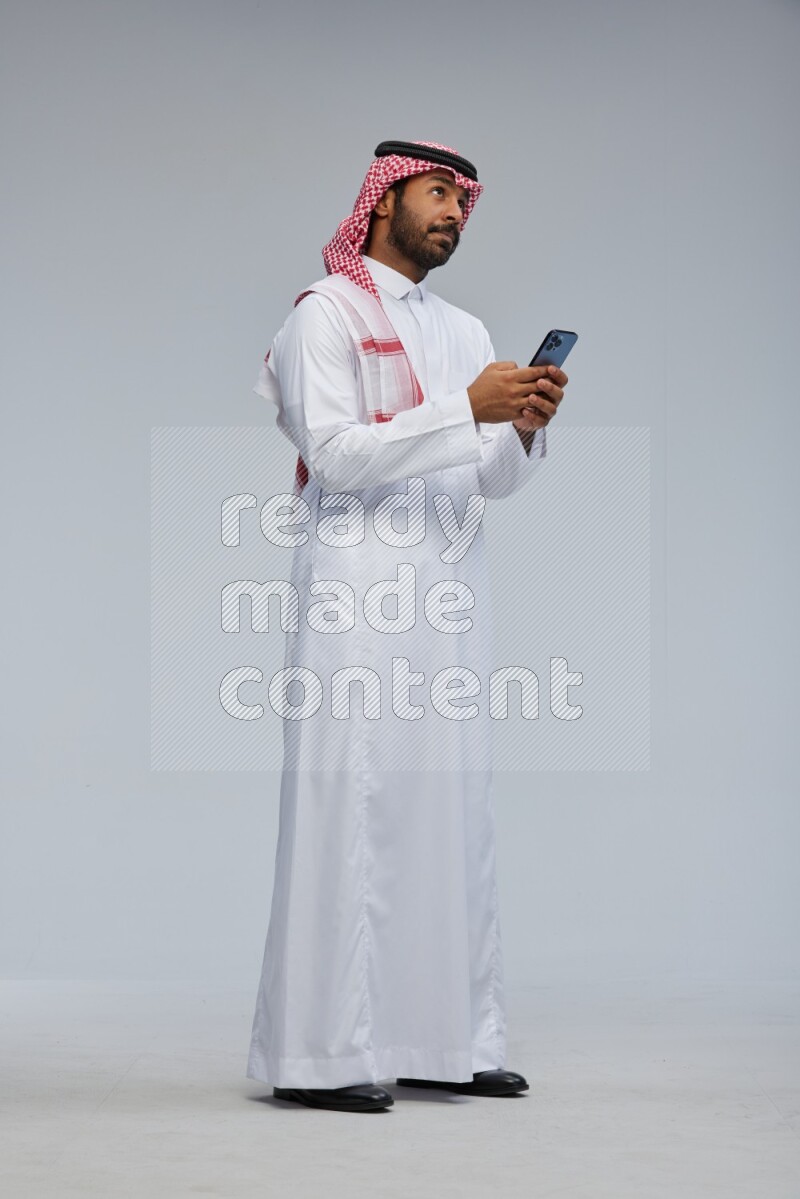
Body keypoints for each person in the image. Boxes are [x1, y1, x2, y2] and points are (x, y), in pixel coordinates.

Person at [247, 139, 569, 1113]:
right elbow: (337, 455)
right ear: (381, 199)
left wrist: (518, 425)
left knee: (449, 815)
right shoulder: (323, 315)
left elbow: (488, 477)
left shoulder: (466, 329)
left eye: (462, 202)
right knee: (350, 812)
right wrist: (460, 408)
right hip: (355, 597)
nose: (452, 215)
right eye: (436, 195)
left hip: (446, 597)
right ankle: (322, 1054)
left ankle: (451, 1041)